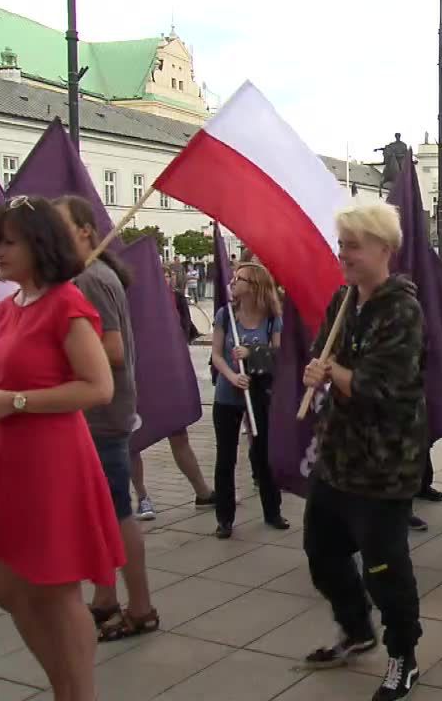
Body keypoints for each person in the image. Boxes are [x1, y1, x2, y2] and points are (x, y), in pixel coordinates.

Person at [0, 195, 124, 701]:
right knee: (6, 589)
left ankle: (77, 693)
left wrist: (15, 401)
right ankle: (63, 684)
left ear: (40, 244)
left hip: (53, 461)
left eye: (8, 242)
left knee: (54, 588)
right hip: (10, 459)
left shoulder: (68, 303)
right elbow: (15, 377)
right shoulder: (8, 308)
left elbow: (97, 387)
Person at [300, 201, 425, 700]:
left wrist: (333, 375)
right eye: (341, 244)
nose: (343, 254)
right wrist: (317, 368)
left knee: (385, 567)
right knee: (321, 551)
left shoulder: (402, 309)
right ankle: (356, 628)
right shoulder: (343, 301)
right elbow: (323, 354)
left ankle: (403, 655)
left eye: (352, 245)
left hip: (383, 466)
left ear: (383, 249)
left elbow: (379, 388)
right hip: (338, 457)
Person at [56, 195, 160, 643]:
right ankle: (104, 597)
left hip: (103, 413)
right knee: (100, 511)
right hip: (97, 411)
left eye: (59, 225)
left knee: (116, 512)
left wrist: (58, 349)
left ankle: (140, 607)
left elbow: (113, 350)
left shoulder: (92, 278)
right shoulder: (86, 275)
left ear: (83, 230)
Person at [210, 262, 289, 539]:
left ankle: (272, 510)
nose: (233, 282)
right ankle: (225, 517)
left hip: (260, 393)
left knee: (264, 452)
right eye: (233, 277)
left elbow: (279, 354)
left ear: (254, 286)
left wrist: (253, 351)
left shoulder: (271, 318)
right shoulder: (225, 315)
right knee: (226, 456)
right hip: (228, 394)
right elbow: (216, 354)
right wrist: (232, 376)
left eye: (239, 278)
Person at [130, 267, 213, 516]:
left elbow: (185, 331)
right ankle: (143, 497)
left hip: (165, 374)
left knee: (179, 435)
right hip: (135, 375)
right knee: (132, 441)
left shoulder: (175, 298)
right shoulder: (130, 295)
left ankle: (202, 492)